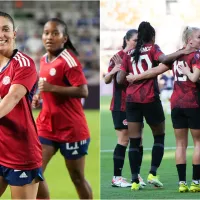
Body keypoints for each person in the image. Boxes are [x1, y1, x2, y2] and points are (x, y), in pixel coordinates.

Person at [117, 21, 192, 191]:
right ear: (151, 35)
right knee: (159, 135)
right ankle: (152, 173)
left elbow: (120, 80)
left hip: (131, 101)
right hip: (150, 98)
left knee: (134, 142)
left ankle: (135, 180)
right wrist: (182, 51)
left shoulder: (128, 54)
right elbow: (164, 60)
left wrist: (131, 75)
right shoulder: (152, 48)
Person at [32, 18, 93, 199]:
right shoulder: (43, 59)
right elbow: (46, 85)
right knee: (34, 172)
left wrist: (52, 89)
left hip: (71, 129)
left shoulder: (69, 61)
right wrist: (39, 96)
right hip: (46, 126)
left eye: (55, 33)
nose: (49, 37)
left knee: (76, 177)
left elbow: (83, 91)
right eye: (46, 33)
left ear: (64, 38)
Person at [0, 11, 43, 199]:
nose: (1, 35)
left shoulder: (24, 64)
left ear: (14, 33)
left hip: (20, 152)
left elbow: (13, 97)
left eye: (5, 30)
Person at [104, 29, 146, 188]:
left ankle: (137, 176)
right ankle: (117, 177)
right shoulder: (118, 57)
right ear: (127, 40)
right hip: (121, 105)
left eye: (140, 40)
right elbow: (107, 79)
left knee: (139, 140)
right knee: (124, 139)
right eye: (135, 40)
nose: (138, 43)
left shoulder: (140, 57)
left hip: (137, 103)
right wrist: (116, 69)